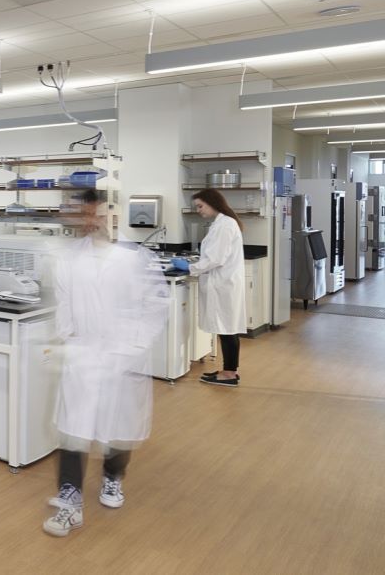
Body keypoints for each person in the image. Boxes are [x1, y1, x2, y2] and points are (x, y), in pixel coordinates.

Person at [44, 189, 168, 538]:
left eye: (96, 213)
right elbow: (65, 302)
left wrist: (134, 345)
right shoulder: (69, 258)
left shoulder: (136, 256)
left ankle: (113, 479)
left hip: (123, 355)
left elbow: (156, 304)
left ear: (111, 214)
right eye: (84, 214)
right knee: (74, 430)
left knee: (119, 430)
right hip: (83, 354)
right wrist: (67, 337)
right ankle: (70, 497)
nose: (90, 221)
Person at [171, 188, 246, 387]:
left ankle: (229, 374)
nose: (199, 210)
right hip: (223, 282)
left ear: (213, 203)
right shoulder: (222, 223)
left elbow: (216, 258)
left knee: (227, 330)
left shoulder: (224, 225)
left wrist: (190, 267)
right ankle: (228, 371)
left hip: (223, 284)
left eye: (200, 206)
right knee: (227, 329)